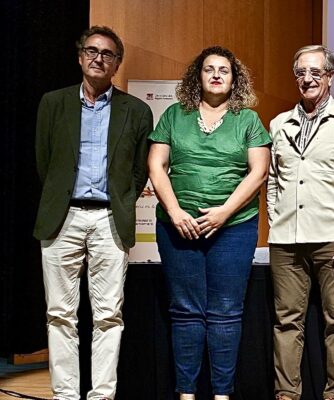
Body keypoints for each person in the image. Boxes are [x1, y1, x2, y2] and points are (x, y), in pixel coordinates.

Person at [34, 25, 152, 400]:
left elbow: (139, 170)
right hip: (62, 217)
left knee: (107, 315)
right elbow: (44, 161)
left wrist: (118, 201)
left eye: (107, 54)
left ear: (117, 63)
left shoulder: (137, 110)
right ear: (80, 56)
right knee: (59, 314)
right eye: (91, 51)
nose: (98, 58)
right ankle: (66, 395)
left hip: (108, 220)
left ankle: (101, 395)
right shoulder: (53, 103)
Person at [147, 46, 270, 400]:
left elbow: (259, 171)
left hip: (234, 228)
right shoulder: (174, 115)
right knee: (185, 312)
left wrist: (223, 212)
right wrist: (175, 212)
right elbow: (156, 166)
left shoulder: (247, 120)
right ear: (197, 77)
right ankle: (186, 393)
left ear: (235, 80)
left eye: (224, 70)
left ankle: (221, 394)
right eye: (208, 69)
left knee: (226, 313)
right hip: (178, 228)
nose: (216, 75)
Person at [267, 44, 334, 400]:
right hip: (286, 240)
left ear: (329, 76)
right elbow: (273, 181)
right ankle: (286, 394)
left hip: (333, 240)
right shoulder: (280, 123)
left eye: (315, 72)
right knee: (286, 324)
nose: (307, 79)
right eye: (300, 73)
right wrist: (276, 220)